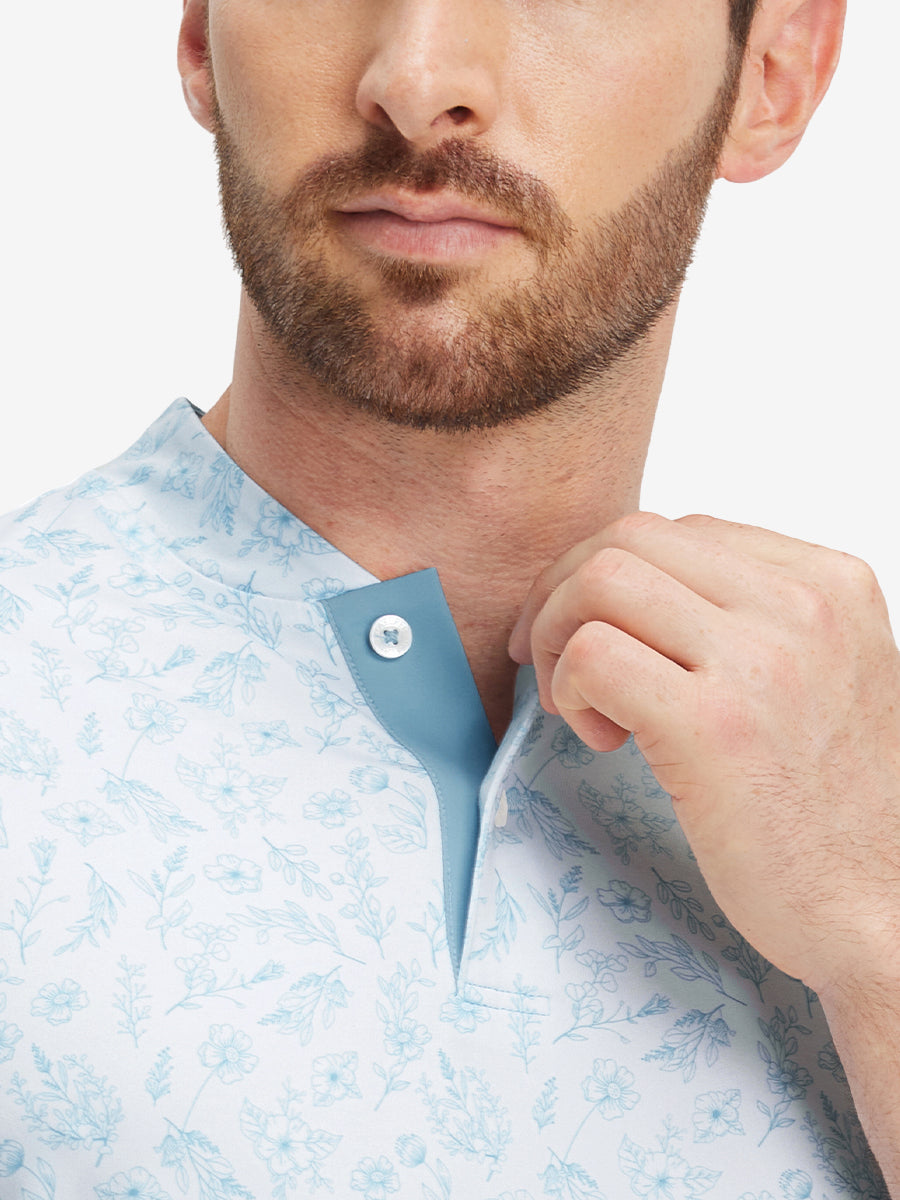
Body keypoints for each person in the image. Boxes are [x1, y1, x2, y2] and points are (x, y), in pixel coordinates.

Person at [0, 0, 896, 1196]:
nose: (418, 80)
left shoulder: (856, 799)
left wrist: (880, 931)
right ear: (203, 33)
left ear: (772, 71)